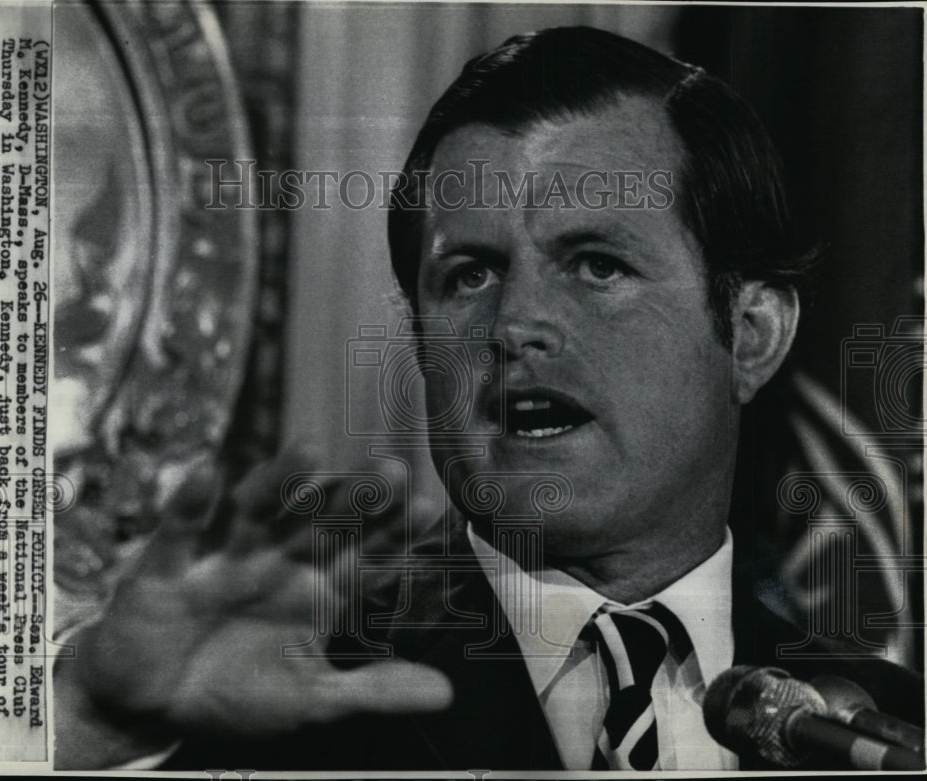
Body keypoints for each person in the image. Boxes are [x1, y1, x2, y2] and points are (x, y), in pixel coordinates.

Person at [54, 25, 922, 771]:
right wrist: (91, 721)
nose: (515, 324)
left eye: (597, 264)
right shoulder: (294, 683)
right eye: (469, 274)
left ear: (753, 332)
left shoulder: (884, 729)